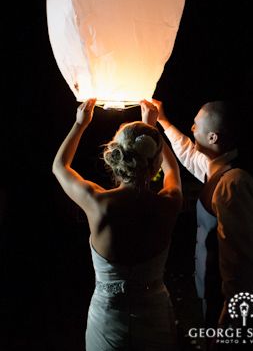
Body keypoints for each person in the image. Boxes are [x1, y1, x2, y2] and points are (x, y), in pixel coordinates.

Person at [52, 98, 183, 351]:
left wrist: (80, 125)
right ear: (154, 163)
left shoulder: (98, 203)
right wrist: (152, 129)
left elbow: (60, 167)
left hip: (108, 318)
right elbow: (172, 172)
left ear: (116, 157)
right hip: (154, 315)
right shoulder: (169, 203)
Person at [152, 99, 253, 330]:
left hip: (226, 305)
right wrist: (161, 120)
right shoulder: (215, 168)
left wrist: (230, 316)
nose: (191, 129)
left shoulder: (234, 183)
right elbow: (188, 154)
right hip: (212, 294)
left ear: (213, 137)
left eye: (196, 125)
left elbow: (240, 258)